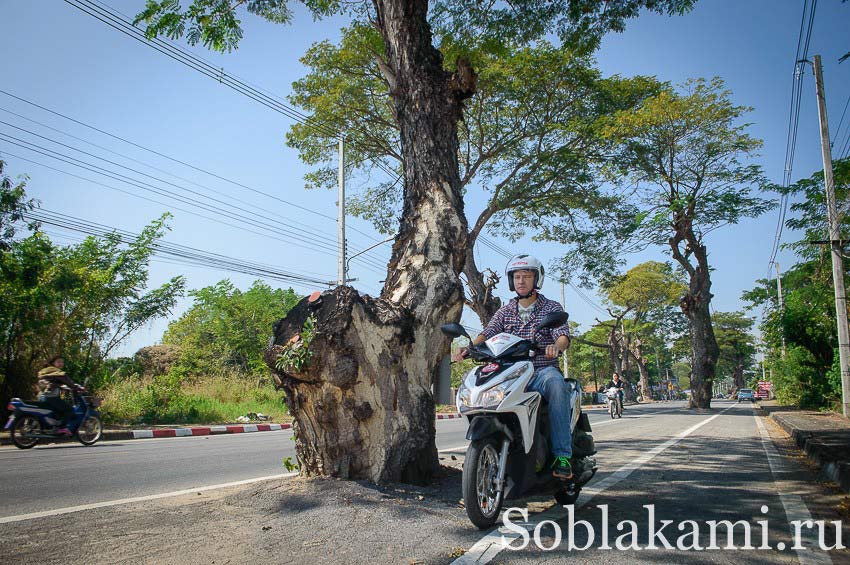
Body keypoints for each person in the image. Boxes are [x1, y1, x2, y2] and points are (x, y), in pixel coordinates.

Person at [453, 254, 574, 480]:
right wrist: (468, 348)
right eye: (517, 277)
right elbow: (487, 333)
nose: (521, 281)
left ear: (536, 279)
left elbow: (562, 335)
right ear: (511, 281)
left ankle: (563, 456)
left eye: (526, 276)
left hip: (540, 370)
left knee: (557, 385)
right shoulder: (505, 311)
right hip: (510, 371)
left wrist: (556, 347)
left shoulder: (550, 307)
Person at [37, 356, 77, 435]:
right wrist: (76, 387)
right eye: (58, 362)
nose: (61, 364)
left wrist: (62, 386)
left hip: (41, 396)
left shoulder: (45, 371)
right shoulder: (56, 371)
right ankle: (62, 428)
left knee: (57, 412)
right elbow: (67, 380)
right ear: (53, 363)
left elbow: (53, 382)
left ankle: (53, 427)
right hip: (51, 397)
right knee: (69, 409)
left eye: (62, 362)